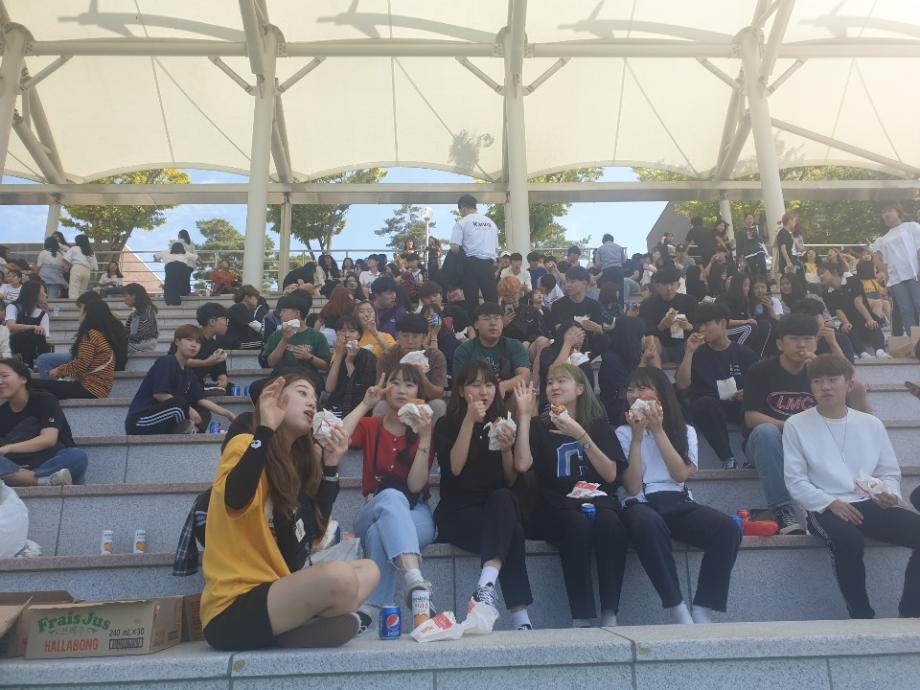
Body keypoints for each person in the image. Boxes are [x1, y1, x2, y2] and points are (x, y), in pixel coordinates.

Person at [201, 372, 378, 649]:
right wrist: (265, 429)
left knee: (369, 570)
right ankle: (306, 624)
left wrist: (330, 467)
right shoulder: (245, 443)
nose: (312, 403)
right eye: (302, 393)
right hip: (232, 608)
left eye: (315, 398)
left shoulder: (295, 467)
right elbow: (235, 500)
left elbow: (312, 537)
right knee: (340, 578)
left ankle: (293, 630)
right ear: (276, 398)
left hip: (277, 592)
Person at [783, 354, 920, 619]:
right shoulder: (796, 425)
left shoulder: (870, 423)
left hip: (868, 501)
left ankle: (912, 612)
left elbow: (889, 471)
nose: (825, 387)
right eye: (817, 381)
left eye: (832, 380)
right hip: (825, 506)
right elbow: (796, 481)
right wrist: (830, 503)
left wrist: (889, 494)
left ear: (849, 385)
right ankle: (861, 615)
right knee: (848, 541)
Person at [617, 367, 740, 624]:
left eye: (643, 388)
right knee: (648, 523)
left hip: (676, 500)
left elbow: (680, 474)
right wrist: (637, 438)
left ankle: (704, 608)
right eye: (630, 389)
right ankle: (676, 606)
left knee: (727, 528)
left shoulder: (686, 431)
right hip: (641, 503)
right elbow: (632, 486)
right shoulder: (622, 433)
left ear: (661, 394)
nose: (635, 394)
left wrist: (658, 431)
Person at [513, 364, 629, 627]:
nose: (553, 386)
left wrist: (580, 434)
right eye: (549, 382)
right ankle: (582, 616)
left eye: (561, 381)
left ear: (579, 389)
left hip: (598, 501)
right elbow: (521, 464)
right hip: (556, 506)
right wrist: (525, 417)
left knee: (610, 523)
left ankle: (610, 614)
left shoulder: (597, 424)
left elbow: (611, 474)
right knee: (575, 524)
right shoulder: (540, 425)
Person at [741, 313, 872, 535]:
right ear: (780, 344)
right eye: (794, 338)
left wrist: (821, 375)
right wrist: (793, 427)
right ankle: (783, 509)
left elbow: (848, 412)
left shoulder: (821, 375)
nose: (802, 344)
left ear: (816, 343)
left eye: (808, 339)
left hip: (810, 446)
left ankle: (853, 496)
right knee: (765, 432)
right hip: (770, 445)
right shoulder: (760, 371)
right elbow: (751, 418)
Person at [433, 361, 534, 629]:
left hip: (493, 510)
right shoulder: (446, 424)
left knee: (505, 498)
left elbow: (510, 479)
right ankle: (520, 617)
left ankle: (486, 584)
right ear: (460, 390)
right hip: (458, 513)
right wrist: (469, 420)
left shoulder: (502, 422)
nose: (483, 391)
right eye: (475, 385)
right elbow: (455, 468)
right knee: (513, 531)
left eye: (489, 385)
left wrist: (506, 449)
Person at [338, 366, 437, 627]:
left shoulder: (424, 432)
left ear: (419, 393)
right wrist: (365, 404)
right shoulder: (372, 426)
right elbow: (337, 437)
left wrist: (425, 437)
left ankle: (370, 609)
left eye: (409, 385)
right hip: (372, 507)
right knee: (391, 498)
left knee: (379, 533)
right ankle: (415, 579)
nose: (402, 390)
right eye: (395, 383)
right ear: (386, 389)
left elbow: (415, 485)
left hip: (416, 512)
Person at [676, 303, 758, 470]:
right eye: (700, 325)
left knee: (757, 406)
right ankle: (728, 458)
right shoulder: (697, 352)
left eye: (707, 324)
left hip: (740, 406)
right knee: (703, 404)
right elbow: (682, 384)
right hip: (710, 407)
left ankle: (752, 456)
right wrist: (689, 352)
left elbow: (761, 385)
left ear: (722, 323)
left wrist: (748, 393)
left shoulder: (744, 353)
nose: (702, 329)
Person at [125, 325, 236, 435]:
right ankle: (188, 429)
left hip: (164, 417)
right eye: (189, 340)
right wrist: (188, 409)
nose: (194, 345)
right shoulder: (167, 362)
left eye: (198, 342)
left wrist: (227, 414)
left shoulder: (188, 372)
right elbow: (160, 394)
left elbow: (201, 399)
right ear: (177, 342)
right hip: (142, 421)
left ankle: (191, 430)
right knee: (181, 403)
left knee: (203, 411)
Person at [0, 358, 87, 487]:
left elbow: (48, 440)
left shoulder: (45, 400)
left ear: (23, 379)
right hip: (17, 465)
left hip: (50, 461)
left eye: (4, 376)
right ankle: (45, 480)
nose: (0, 381)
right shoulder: (2, 413)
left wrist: (8, 448)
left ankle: (27, 478)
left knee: (77, 456)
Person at [30, 299, 118, 400]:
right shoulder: (101, 334)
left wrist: (59, 370)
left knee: (32, 385)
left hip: (89, 389)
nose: (79, 314)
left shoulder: (90, 335)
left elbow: (80, 366)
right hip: (96, 389)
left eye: (81, 311)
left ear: (89, 314)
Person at [375, 314, 447, 421]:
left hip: (424, 404)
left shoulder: (435, 356)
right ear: (397, 335)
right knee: (381, 406)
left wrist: (421, 374)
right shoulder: (388, 356)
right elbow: (381, 391)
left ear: (424, 337)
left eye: (415, 336)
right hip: (396, 403)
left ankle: (431, 432)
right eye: (405, 336)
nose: (410, 341)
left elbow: (438, 394)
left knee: (438, 405)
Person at [453, 303, 530, 398]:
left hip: (506, 397)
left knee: (526, 394)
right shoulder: (464, 350)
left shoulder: (514, 345)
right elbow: (460, 384)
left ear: (502, 323)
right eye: (486, 318)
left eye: (497, 318)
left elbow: (525, 376)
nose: (493, 323)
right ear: (476, 324)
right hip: (475, 398)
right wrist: (486, 387)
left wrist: (503, 386)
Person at [820, 265, 889, 360]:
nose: (820, 276)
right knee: (847, 328)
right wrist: (846, 323)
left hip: (862, 316)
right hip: (849, 321)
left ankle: (880, 351)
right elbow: (838, 310)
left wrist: (869, 319)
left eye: (822, 272)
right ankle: (862, 353)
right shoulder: (826, 293)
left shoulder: (853, 280)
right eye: (819, 274)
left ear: (834, 271)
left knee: (873, 323)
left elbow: (858, 302)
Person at [872, 202, 920, 331]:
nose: (886, 214)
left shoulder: (911, 227)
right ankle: (914, 340)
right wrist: (888, 283)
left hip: (914, 274)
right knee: (905, 310)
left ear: (898, 211)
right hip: (897, 280)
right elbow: (886, 263)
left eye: (889, 210)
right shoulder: (883, 239)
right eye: (883, 212)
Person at [262, 294, 330, 384]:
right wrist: (284, 341)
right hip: (282, 376)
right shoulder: (277, 335)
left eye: (284, 311)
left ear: (297, 313)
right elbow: (271, 363)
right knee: (255, 387)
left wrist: (309, 357)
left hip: (308, 377)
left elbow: (326, 366)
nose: (280, 315)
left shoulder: (317, 336)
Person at [168, 302, 232, 395]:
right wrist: (206, 362)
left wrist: (222, 380)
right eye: (225, 319)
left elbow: (220, 370)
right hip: (177, 383)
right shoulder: (187, 336)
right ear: (212, 322)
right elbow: (175, 360)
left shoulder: (215, 346)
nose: (227, 323)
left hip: (196, 384)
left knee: (227, 389)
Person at [638, 266, 697, 363]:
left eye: (672, 284)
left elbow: (701, 327)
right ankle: (657, 371)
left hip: (684, 346)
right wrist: (660, 327)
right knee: (651, 339)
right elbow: (642, 331)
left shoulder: (689, 301)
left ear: (678, 285)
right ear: (657, 286)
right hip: (660, 347)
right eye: (664, 284)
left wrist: (689, 327)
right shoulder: (647, 304)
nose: (669, 288)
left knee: (696, 338)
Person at [450, 195, 499, 310]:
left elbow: (455, 247)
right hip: (488, 264)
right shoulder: (491, 223)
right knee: (491, 298)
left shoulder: (462, 223)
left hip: (470, 263)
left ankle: (474, 321)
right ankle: (496, 318)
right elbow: (495, 248)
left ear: (463, 208)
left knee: (471, 301)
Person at [324, 315, 377, 418]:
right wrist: (339, 354)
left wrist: (349, 362)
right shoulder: (338, 354)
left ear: (359, 335)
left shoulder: (367, 356)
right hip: (336, 405)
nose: (347, 335)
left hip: (356, 407)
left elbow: (360, 388)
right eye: (342, 331)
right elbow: (329, 388)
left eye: (352, 331)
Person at [547, 266, 606, 358]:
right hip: (564, 349)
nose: (568, 285)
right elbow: (558, 331)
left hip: (588, 350)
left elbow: (598, 332)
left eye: (572, 282)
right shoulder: (558, 305)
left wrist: (599, 330)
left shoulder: (594, 305)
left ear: (584, 283)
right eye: (567, 281)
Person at [6, 282, 50, 368]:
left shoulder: (43, 314)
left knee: (36, 334)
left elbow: (44, 336)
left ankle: (32, 364)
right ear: (34, 294)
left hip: (33, 347)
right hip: (12, 344)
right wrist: (33, 327)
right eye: (43, 292)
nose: (46, 295)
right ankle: (34, 364)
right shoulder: (14, 307)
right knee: (31, 332)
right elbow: (10, 326)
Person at [223, 285, 268, 350]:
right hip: (234, 343)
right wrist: (273, 333)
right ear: (247, 297)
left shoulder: (239, 308)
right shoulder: (240, 308)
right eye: (255, 298)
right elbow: (258, 327)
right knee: (268, 341)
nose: (257, 300)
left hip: (236, 341)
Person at [122, 283, 159, 353]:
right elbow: (125, 332)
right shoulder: (133, 314)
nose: (124, 299)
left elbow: (143, 335)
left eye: (125, 296)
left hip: (143, 347)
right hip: (134, 345)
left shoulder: (147, 311)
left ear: (134, 296)